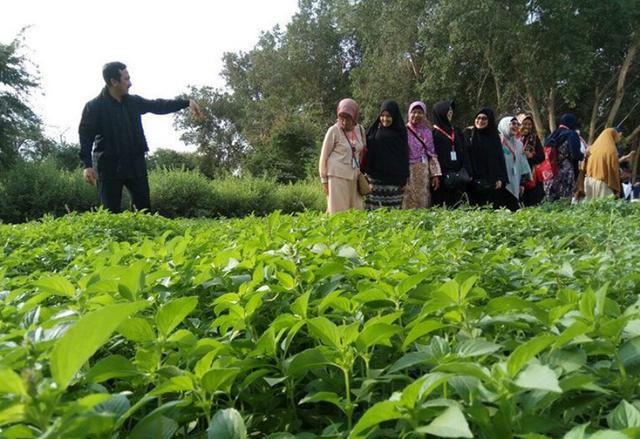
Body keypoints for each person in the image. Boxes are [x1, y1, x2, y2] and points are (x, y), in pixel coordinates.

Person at [79, 62, 202, 212]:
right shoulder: (94, 107)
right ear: (113, 81)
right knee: (110, 214)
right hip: (108, 166)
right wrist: (87, 165)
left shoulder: (133, 102)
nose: (130, 83)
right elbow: (85, 136)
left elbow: (158, 105)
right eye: (126, 79)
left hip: (135, 164)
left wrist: (186, 103)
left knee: (144, 211)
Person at [319, 98, 366, 214]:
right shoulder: (333, 131)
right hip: (337, 176)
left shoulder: (360, 129)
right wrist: (324, 179)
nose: (344, 122)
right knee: (338, 211)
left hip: (354, 175)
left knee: (356, 210)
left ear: (354, 117)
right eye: (342, 118)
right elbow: (324, 156)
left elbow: (362, 150)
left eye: (348, 118)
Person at [363, 100, 409, 209]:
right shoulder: (374, 130)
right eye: (382, 115)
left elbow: (404, 157)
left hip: (394, 183)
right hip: (374, 181)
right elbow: (366, 151)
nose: (385, 119)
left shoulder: (401, 133)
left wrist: (404, 179)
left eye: (388, 116)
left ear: (394, 116)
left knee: (392, 215)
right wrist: (364, 171)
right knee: (373, 213)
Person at [431, 100, 472, 207]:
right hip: (443, 179)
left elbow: (465, 152)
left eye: (451, 110)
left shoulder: (457, 131)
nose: (450, 112)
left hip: (459, 176)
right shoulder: (433, 134)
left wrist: (467, 170)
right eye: (447, 110)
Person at [465, 107, 508, 207]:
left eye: (484, 118)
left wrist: (499, 177)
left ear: (490, 120)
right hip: (471, 180)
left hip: (490, 180)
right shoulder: (467, 133)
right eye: (478, 118)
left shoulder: (494, 137)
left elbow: (499, 158)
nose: (480, 121)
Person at [403, 101, 441, 209]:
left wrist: (435, 174)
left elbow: (432, 154)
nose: (416, 115)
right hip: (407, 171)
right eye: (414, 112)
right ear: (409, 113)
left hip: (423, 171)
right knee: (407, 200)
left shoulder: (428, 133)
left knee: (422, 200)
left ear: (424, 115)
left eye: (420, 112)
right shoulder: (403, 131)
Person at [543, 113, 583, 201]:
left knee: (551, 204)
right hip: (566, 173)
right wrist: (584, 155)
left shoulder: (551, 136)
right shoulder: (572, 134)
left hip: (550, 174)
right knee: (564, 203)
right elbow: (575, 155)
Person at [497, 116, 532, 211]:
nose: (516, 126)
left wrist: (522, 184)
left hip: (515, 183)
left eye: (517, 124)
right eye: (513, 123)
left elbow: (523, 165)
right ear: (504, 125)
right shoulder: (497, 142)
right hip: (500, 185)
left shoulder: (519, 144)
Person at [584, 127, 623, 200]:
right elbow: (614, 169)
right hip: (603, 184)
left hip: (588, 182)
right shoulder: (611, 150)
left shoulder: (592, 148)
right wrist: (617, 188)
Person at [517, 113, 545, 206]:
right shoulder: (513, 138)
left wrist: (531, 156)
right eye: (524, 124)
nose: (527, 127)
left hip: (531, 176)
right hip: (517, 175)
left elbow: (542, 157)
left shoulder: (534, 138)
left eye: (529, 124)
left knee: (533, 203)